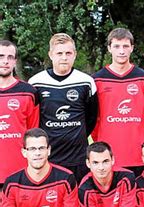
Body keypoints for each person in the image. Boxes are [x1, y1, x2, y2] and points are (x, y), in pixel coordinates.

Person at [28, 33, 97, 183]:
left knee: (77, 200)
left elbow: (91, 118)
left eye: (68, 53)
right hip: (48, 156)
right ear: (51, 55)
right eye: (59, 53)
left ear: (75, 55)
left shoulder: (86, 82)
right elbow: (33, 119)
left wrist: (76, 134)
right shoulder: (36, 83)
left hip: (78, 156)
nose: (64, 57)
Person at [92, 28, 144, 177]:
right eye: (117, 46)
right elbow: (93, 119)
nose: (121, 51)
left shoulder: (143, 78)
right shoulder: (97, 80)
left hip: (137, 153)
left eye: (126, 46)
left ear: (132, 48)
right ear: (109, 48)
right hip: (108, 154)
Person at [0, 40, 39, 189]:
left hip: (19, 172)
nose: (5, 61)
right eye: (1, 56)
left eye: (10, 57)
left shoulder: (28, 92)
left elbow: (33, 133)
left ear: (15, 61)